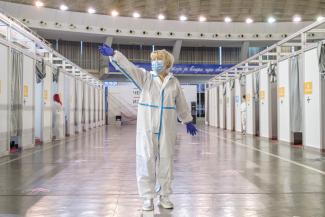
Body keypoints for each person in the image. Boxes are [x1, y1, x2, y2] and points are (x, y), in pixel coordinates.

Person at [99, 44, 198, 211]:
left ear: (167, 63)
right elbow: (129, 68)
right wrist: (115, 54)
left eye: (158, 60)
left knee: (166, 162)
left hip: (167, 128)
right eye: (153, 60)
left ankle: (164, 196)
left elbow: (181, 102)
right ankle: (147, 198)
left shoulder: (174, 82)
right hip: (147, 129)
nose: (155, 63)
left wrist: (187, 120)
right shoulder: (145, 78)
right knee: (146, 161)